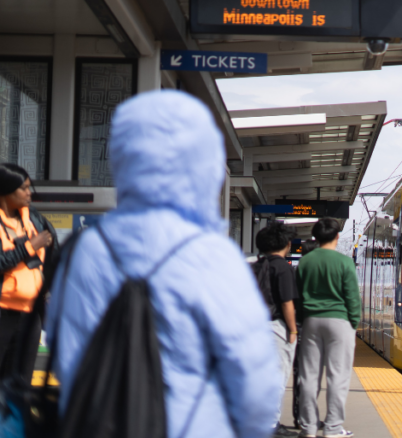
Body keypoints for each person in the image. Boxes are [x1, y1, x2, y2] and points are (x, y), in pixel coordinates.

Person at [46, 91, 280, 438]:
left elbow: (66, 352)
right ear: (205, 164)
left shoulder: (86, 249)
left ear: (122, 158)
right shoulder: (213, 255)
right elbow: (252, 374)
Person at [296, 218, 360, 438]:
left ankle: (308, 428)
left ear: (316, 237)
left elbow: (298, 297)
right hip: (339, 322)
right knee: (337, 377)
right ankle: (332, 429)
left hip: (311, 321)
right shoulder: (344, 262)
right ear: (337, 236)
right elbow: (352, 297)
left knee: (309, 377)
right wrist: (354, 323)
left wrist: (304, 320)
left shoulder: (305, 262)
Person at [0, 163, 56, 381]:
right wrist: (29, 246)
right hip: (3, 314)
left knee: (20, 383)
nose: (28, 193)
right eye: (22, 188)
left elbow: (53, 256)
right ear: (5, 190)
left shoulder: (34, 219)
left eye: (28, 187)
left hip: (29, 316)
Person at [254, 222, 300, 436]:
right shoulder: (282, 267)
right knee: (277, 379)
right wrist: (293, 330)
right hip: (275, 329)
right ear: (286, 244)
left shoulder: (253, 266)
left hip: (253, 328)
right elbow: (286, 303)